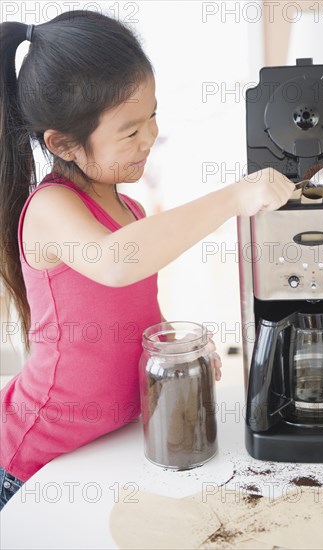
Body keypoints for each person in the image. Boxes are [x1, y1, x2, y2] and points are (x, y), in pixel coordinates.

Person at [0, 11, 294, 511]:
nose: (150, 136)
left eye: (153, 115)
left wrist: (170, 349)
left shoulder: (129, 209)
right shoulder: (51, 209)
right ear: (62, 143)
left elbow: (129, 305)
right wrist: (234, 196)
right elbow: (118, 263)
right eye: (130, 129)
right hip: (33, 459)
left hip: (105, 447)